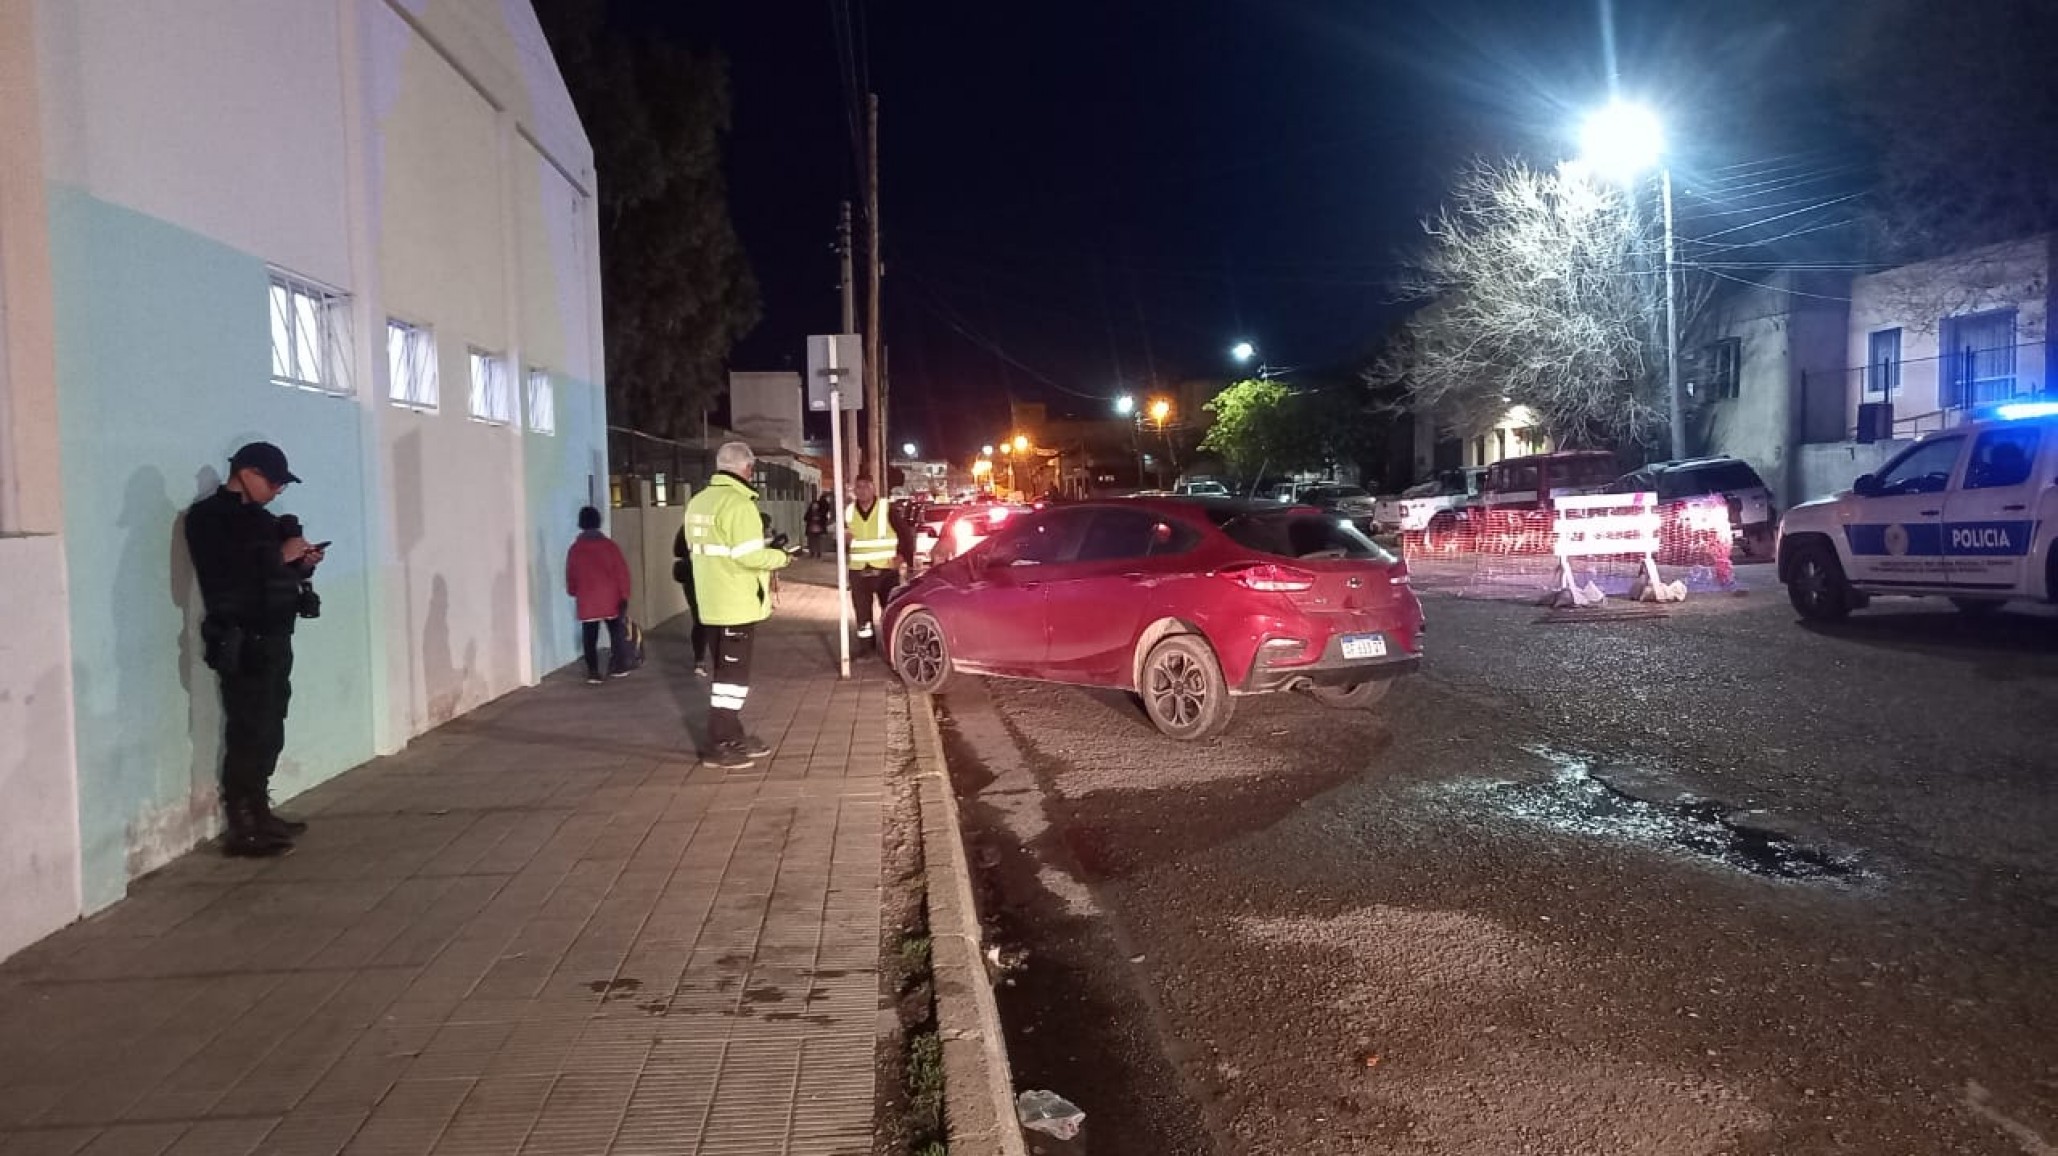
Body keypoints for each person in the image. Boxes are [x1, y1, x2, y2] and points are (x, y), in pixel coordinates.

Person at [183, 441, 325, 857]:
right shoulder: (209, 519)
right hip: (241, 638)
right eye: (275, 481)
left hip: (276, 635)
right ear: (247, 473)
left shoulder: (264, 521)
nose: (279, 490)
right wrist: (279, 557)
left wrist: (302, 564)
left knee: (270, 726)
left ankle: (260, 809)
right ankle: (241, 823)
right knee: (248, 729)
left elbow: (271, 574)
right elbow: (226, 577)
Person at [683, 441, 794, 769]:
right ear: (747, 469)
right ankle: (719, 742)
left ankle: (733, 733)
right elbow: (748, 556)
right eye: (752, 468)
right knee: (732, 678)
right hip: (735, 602)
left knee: (725, 671)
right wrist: (781, 557)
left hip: (711, 600)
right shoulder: (739, 504)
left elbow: (708, 548)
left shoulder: (699, 502)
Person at [565, 506, 634, 684]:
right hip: (610, 597)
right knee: (615, 632)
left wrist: (573, 590)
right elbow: (621, 572)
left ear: (580, 523)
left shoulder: (575, 549)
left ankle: (593, 672)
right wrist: (624, 594)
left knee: (590, 636)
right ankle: (619, 666)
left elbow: (571, 574)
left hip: (587, 599)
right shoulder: (610, 546)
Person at [845, 474, 913, 652]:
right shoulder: (849, 511)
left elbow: (905, 534)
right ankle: (866, 649)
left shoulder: (886, 508)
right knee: (862, 614)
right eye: (858, 487)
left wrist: (903, 557)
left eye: (866, 486)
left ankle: (894, 648)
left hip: (885, 569)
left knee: (890, 610)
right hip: (858, 570)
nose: (862, 490)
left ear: (874, 488)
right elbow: (843, 538)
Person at [671, 524, 710, 677]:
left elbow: (677, 550)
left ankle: (699, 660)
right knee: (710, 619)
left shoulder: (687, 526)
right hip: (710, 575)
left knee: (699, 619)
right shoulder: (714, 525)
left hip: (690, 576)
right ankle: (712, 656)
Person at [804, 494, 831, 559]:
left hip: (819, 529)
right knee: (811, 542)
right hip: (811, 529)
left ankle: (818, 553)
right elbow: (805, 518)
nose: (815, 507)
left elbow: (825, 519)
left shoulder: (821, 513)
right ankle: (812, 553)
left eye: (816, 506)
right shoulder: (809, 513)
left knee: (818, 542)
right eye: (814, 506)